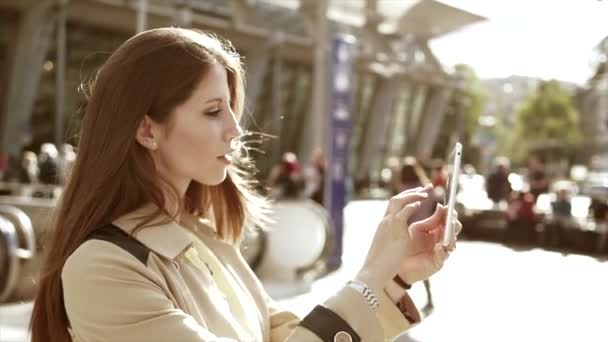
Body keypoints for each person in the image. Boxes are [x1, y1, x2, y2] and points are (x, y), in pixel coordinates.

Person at [29, 28, 461, 342]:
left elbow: (284, 334)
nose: (236, 129)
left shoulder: (201, 236)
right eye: (214, 110)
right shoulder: (103, 267)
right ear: (147, 130)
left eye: (232, 110)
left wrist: (394, 276)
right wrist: (369, 277)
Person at [393, 156, 441, 316]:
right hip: (426, 232)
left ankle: (398, 303)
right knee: (422, 266)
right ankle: (430, 298)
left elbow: (397, 215)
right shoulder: (427, 188)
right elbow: (435, 208)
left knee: (399, 270)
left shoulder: (403, 191)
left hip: (406, 233)